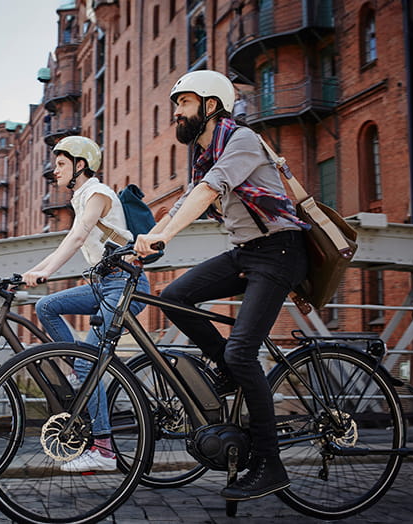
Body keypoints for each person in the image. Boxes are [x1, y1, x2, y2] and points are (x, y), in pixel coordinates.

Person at [134, 70, 310, 501]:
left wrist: (164, 238)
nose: (176, 113)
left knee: (242, 349)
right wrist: (143, 240)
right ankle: (229, 373)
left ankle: (270, 464)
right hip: (248, 251)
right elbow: (183, 200)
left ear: (211, 106)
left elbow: (208, 192)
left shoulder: (242, 141)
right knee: (174, 296)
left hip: (281, 250)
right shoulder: (205, 152)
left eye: (184, 103)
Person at [21, 135, 150, 472]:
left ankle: (105, 450)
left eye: (61, 164)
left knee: (87, 364)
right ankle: (80, 371)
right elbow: (71, 239)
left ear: (81, 165)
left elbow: (76, 237)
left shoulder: (97, 193)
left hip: (124, 286)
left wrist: (45, 271)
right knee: (46, 307)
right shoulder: (81, 197)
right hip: (104, 284)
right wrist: (32, 272)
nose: (55, 170)